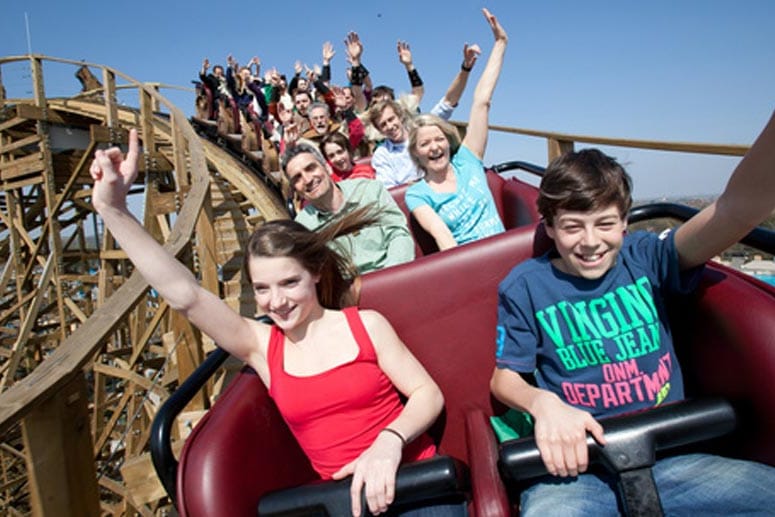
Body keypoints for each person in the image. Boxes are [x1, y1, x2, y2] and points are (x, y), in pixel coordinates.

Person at [89, 130, 465, 517]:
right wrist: (113, 210)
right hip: (345, 502)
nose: (278, 302)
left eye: (289, 283)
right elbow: (184, 294)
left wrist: (390, 442)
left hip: (415, 484)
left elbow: (427, 394)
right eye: (263, 289)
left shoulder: (366, 325)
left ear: (316, 273)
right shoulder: (262, 346)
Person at [490, 111, 775, 515]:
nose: (591, 242)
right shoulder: (525, 286)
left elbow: (735, 210)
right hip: (576, 469)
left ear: (625, 222)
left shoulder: (647, 260)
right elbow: (504, 377)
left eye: (605, 223)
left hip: (672, 452)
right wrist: (543, 404)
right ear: (550, 227)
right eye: (572, 227)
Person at [404, 8, 507, 250]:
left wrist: (500, 43)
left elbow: (482, 101)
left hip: (505, 251)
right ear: (416, 153)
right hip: (470, 264)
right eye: (424, 144)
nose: (434, 147)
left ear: (448, 141)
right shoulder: (417, 194)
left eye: (438, 139)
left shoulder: (468, 161)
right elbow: (443, 237)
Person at [283, 143, 414, 274]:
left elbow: (398, 235)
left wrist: (390, 278)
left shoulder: (369, 190)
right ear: (296, 190)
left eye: (311, 168)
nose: (307, 179)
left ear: (327, 168)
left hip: (392, 273)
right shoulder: (303, 227)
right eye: (297, 178)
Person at [368, 41, 483, 188]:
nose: (390, 126)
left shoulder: (422, 128)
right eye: (383, 124)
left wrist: (465, 68)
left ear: (400, 116)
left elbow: (449, 101)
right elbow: (389, 190)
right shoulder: (382, 155)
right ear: (379, 130)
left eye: (391, 119)